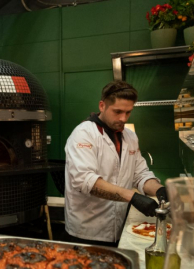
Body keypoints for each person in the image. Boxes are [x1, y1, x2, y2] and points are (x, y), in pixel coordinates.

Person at [63, 80, 168, 247]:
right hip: (87, 231)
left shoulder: (130, 136)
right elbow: (86, 181)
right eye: (117, 112)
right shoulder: (83, 134)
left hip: (119, 226)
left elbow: (140, 174)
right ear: (102, 106)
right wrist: (133, 197)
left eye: (128, 112)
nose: (123, 118)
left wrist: (159, 189)